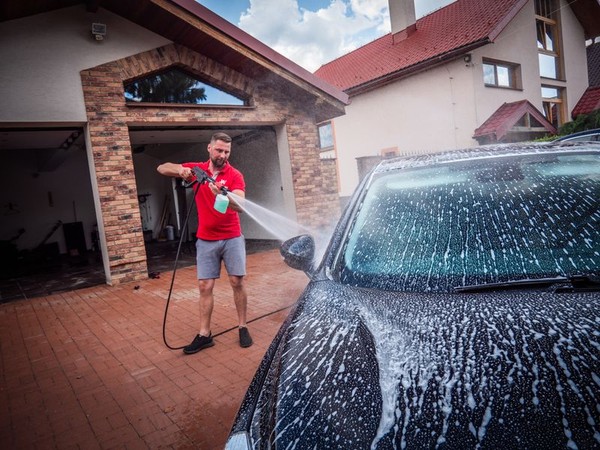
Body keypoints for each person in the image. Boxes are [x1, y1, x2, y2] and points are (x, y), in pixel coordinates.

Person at [157, 132, 252, 354]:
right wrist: (181, 171)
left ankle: (243, 326)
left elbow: (241, 205)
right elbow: (162, 167)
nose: (223, 155)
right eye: (219, 150)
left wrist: (223, 195)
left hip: (232, 236)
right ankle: (204, 334)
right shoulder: (197, 170)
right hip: (206, 238)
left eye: (227, 151)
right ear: (209, 148)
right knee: (204, 286)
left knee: (237, 281)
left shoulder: (234, 175)